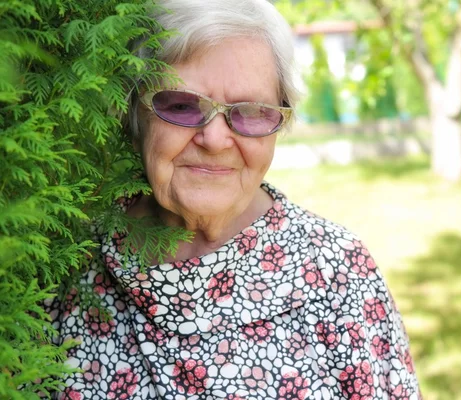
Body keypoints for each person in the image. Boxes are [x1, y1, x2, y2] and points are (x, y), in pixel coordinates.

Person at [46, 0, 422, 398]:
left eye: (250, 112)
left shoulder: (339, 272)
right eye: (180, 105)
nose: (215, 139)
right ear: (135, 113)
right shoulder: (72, 262)